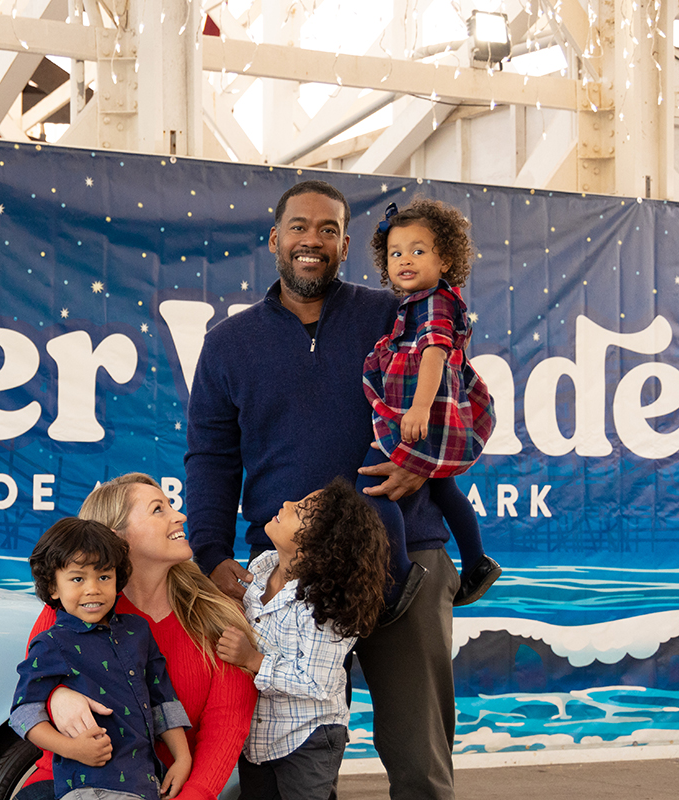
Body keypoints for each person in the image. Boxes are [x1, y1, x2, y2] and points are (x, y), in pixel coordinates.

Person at [184, 180, 459, 799]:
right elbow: (211, 458)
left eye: (329, 230)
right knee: (289, 760)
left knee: (419, 760)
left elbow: (458, 401)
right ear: (276, 239)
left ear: (343, 244)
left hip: (404, 558)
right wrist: (210, 554)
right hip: (281, 582)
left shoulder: (395, 315)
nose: (314, 240)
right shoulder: (228, 344)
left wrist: (424, 463)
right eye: (301, 227)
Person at [15, 474, 257, 800]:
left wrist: (192, 791)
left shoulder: (219, 615)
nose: (180, 515)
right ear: (118, 538)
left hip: (155, 790)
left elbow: (226, 727)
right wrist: (57, 695)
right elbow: (30, 692)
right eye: (159, 509)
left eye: (171, 505)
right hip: (62, 787)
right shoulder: (73, 605)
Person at [359, 199, 501, 607]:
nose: (405, 260)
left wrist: (419, 409)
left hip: (423, 412)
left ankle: (401, 577)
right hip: (429, 411)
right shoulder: (421, 300)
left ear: (446, 259)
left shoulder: (435, 302)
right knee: (442, 488)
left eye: (418, 251)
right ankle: (476, 562)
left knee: (373, 487)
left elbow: (435, 353)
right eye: (396, 253)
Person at [216, 479, 390, 800]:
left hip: (308, 738)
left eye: (299, 510)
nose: (286, 504)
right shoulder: (261, 566)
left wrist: (252, 660)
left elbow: (315, 681)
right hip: (260, 735)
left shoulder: (325, 606)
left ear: (318, 544)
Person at [12, 517, 194, 800]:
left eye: (104, 576)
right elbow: (24, 713)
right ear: (53, 587)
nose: (92, 588)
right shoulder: (51, 643)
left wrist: (182, 758)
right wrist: (71, 748)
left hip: (144, 785)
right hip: (88, 787)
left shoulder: (138, 631)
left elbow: (163, 699)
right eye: (77, 578)